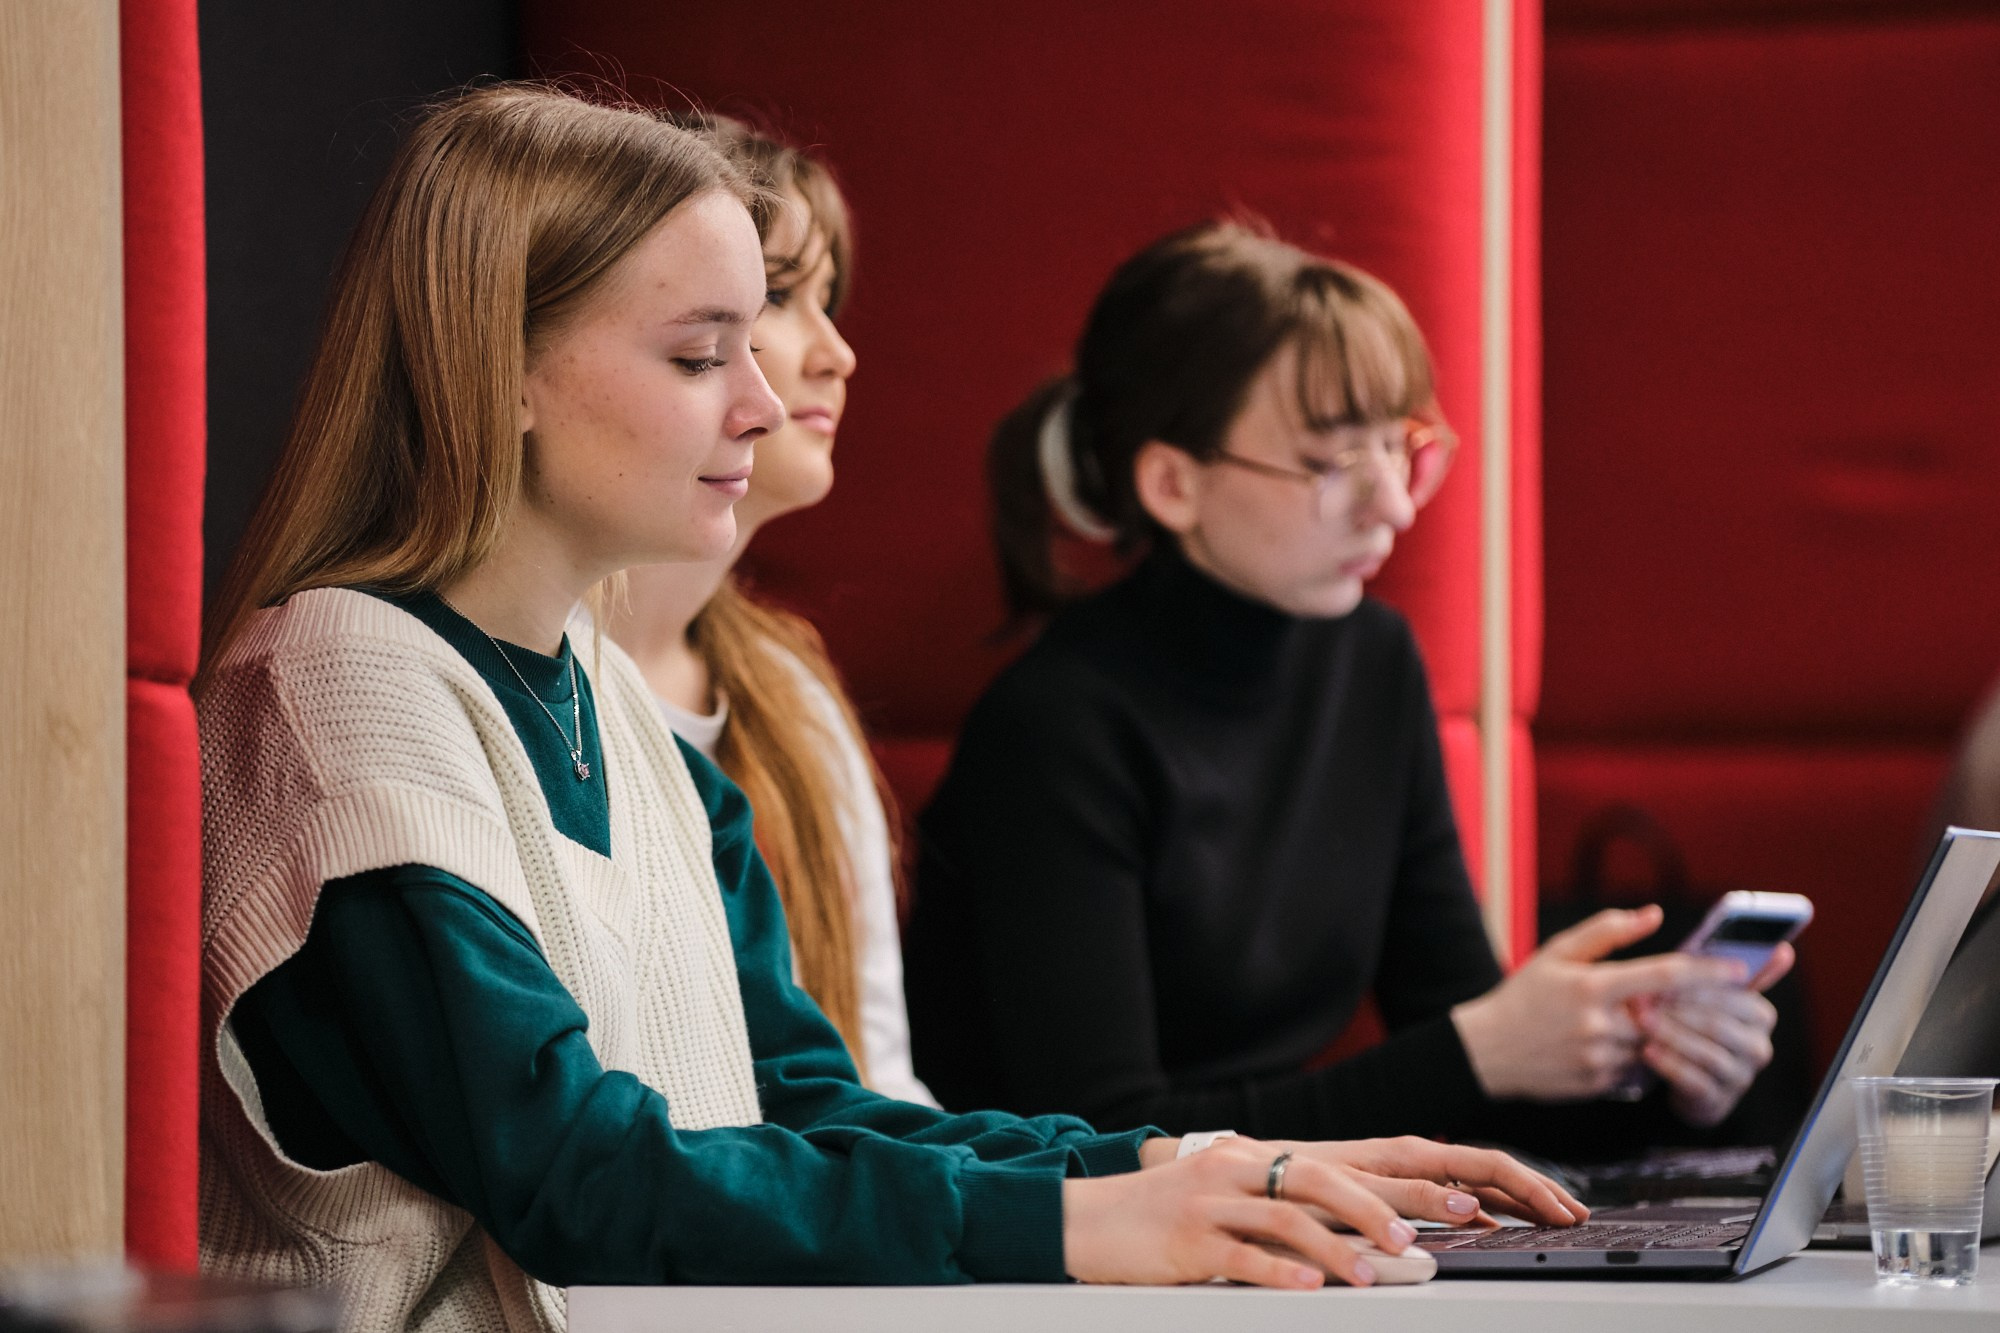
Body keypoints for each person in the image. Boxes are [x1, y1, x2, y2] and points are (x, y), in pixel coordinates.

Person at [195, 87, 1584, 1327]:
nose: (761, 402)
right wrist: (1076, 1223)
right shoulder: (340, 689)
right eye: (697, 358)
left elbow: (802, 1102)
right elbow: (577, 1174)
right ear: (493, 371)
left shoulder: (610, 705)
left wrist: (1186, 1169)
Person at [905, 221, 1794, 1158]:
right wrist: (1478, 1050)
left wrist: (1661, 1079)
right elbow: (1099, 1136)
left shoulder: (1373, 665)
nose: (1397, 506)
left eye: (1398, 446)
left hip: (1264, 1241)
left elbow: (1471, 1069)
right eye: (1333, 462)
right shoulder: (1054, 725)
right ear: (1173, 483)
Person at [603, 116, 931, 1104]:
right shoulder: (533, 671)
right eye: (781, 298)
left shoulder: (788, 687)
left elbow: (879, 1078)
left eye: (822, 300)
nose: (837, 354)